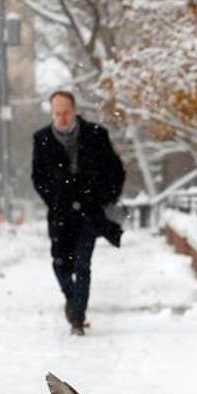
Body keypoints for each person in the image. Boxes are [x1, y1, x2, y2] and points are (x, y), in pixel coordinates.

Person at [31, 90, 126, 336]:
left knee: (83, 264)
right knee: (61, 263)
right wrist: (54, 199)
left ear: (74, 110)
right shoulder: (42, 139)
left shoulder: (96, 135)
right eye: (57, 113)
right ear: (52, 113)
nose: (62, 118)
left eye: (66, 112)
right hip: (60, 214)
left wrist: (104, 199)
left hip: (89, 213)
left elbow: (116, 171)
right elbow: (38, 177)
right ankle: (72, 300)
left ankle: (77, 317)